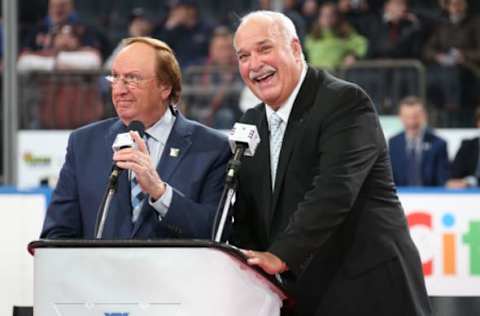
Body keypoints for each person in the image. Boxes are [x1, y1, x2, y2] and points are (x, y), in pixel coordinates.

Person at [230, 11, 430, 316]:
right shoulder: (250, 122)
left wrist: (280, 255)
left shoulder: (345, 102)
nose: (254, 64)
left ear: (295, 49)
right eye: (244, 56)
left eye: (264, 49)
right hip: (302, 294)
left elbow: (334, 190)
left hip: (368, 290)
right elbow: (247, 209)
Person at [41, 36, 231, 239]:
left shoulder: (213, 148)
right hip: (102, 270)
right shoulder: (83, 144)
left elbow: (216, 232)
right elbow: (57, 235)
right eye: (115, 78)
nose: (120, 90)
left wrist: (160, 193)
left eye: (132, 79)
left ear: (165, 87)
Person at [423, 0, 480, 126]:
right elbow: (427, 49)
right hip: (443, 69)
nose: (457, 8)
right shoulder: (442, 26)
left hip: (469, 69)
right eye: (453, 4)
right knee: (429, 77)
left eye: (460, 4)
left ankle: (453, 117)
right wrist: (437, 56)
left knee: (453, 77)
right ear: (448, 7)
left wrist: (464, 55)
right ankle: (440, 117)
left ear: (466, 6)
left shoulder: (476, 23)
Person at [183, 26, 243, 129]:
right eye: (221, 48)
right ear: (212, 50)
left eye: (229, 48)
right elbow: (186, 100)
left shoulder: (242, 70)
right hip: (198, 115)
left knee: (225, 115)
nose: (226, 53)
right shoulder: (197, 70)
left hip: (231, 118)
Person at [389, 96, 449, 186]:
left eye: (415, 117)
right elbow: (390, 177)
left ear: (424, 116)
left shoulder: (438, 144)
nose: (411, 122)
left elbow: (442, 179)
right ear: (400, 117)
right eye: (407, 117)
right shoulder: (394, 143)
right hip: (400, 196)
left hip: (431, 197)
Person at [305, 2, 367, 71]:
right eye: (323, 15)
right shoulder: (312, 37)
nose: (327, 19)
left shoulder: (345, 35)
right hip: (316, 77)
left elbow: (362, 44)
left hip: (337, 76)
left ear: (338, 17)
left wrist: (353, 56)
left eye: (331, 15)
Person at [447, 107, 480, 188]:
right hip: (467, 196)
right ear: (478, 123)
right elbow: (454, 174)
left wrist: (471, 181)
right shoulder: (467, 147)